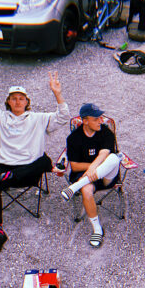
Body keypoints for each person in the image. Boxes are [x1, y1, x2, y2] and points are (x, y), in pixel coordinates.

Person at [0, 56, 70, 255]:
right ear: (8, 102)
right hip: (4, 168)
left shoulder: (38, 118)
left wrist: (58, 93)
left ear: (27, 102)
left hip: (29, 173)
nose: (17, 101)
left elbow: (63, 117)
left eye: (21, 98)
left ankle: (4, 176)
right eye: (13, 98)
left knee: (43, 161)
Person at [59, 104, 123, 248]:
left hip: (106, 176)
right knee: (87, 190)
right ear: (85, 121)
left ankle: (74, 187)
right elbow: (74, 166)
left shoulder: (106, 132)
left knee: (113, 158)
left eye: (101, 117)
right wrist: (92, 170)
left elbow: (104, 154)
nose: (101, 121)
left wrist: (95, 167)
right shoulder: (73, 138)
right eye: (96, 118)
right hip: (84, 175)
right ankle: (97, 229)